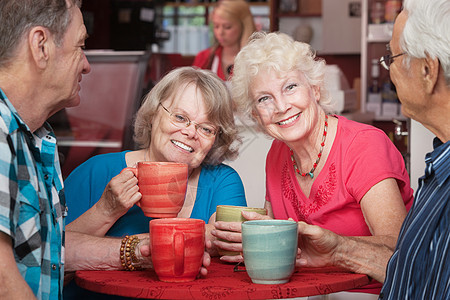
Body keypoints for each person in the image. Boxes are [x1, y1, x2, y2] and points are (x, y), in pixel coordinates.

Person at [213, 31, 414, 298]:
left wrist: (337, 250)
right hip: (306, 293)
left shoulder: (363, 145)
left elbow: (400, 254)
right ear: (255, 115)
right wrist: (251, 237)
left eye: (290, 87)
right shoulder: (276, 153)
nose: (281, 106)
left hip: (371, 293)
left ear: (315, 89)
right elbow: (282, 239)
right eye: (264, 98)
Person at [63, 66, 246, 298]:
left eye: (206, 128)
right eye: (180, 117)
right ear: (153, 114)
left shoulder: (222, 181)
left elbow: (232, 247)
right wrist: (106, 211)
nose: (190, 132)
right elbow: (44, 263)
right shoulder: (96, 171)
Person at [0, 0, 90, 298]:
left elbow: (45, 261)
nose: (87, 64)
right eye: (80, 46)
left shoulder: (35, 135)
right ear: (41, 46)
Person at [379, 0, 449, 298]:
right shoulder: (438, 169)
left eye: (391, 57)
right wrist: (340, 250)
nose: (389, 70)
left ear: (427, 70)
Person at [192, 0, 256, 81]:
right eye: (216, 26)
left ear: (243, 26)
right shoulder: (204, 58)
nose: (220, 32)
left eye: (227, 27)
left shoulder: (257, 59)